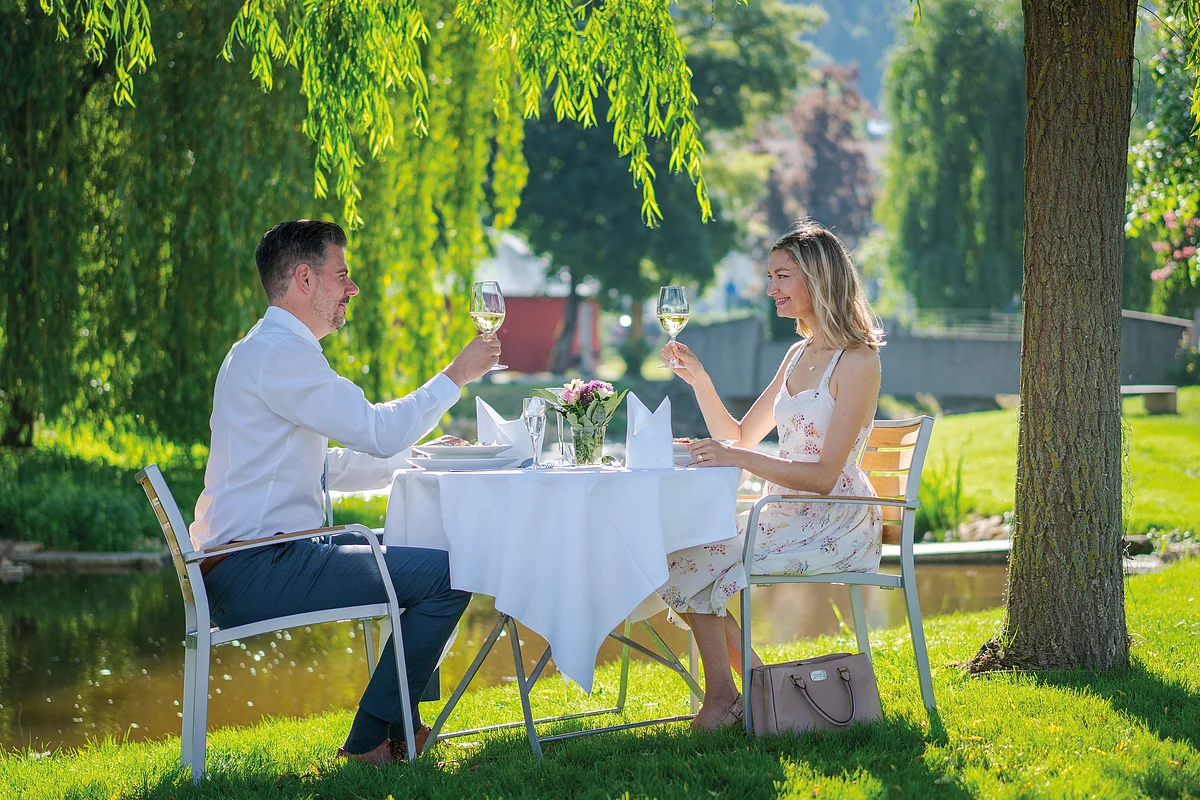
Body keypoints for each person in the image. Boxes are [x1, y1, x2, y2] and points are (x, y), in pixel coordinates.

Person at [191, 219, 500, 765]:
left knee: (419, 539)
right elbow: (377, 431)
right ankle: (369, 743)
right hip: (257, 566)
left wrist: (420, 456)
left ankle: (402, 727)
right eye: (343, 274)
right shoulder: (281, 356)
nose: (352, 288)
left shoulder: (266, 350)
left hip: (260, 555)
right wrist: (457, 374)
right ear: (305, 279)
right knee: (452, 574)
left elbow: (322, 466)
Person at [658, 219, 884, 729]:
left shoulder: (858, 361)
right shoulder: (797, 353)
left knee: (700, 561)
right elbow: (741, 436)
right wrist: (699, 379)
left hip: (835, 517)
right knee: (685, 554)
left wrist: (736, 459)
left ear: (817, 278)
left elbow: (825, 476)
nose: (770, 288)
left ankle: (738, 701)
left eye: (781, 276)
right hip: (781, 509)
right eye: (770, 276)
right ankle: (754, 696)